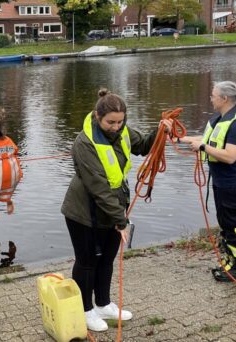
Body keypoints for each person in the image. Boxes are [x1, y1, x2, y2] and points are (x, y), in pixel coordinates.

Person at [61, 89, 172, 331]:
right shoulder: (84, 142)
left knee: (107, 259)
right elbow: (98, 187)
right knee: (87, 261)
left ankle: (103, 304)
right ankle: (85, 310)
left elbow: (142, 146)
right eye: (111, 122)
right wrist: (121, 220)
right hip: (83, 211)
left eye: (121, 122)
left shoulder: (123, 131)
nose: (116, 127)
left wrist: (159, 131)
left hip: (112, 209)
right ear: (98, 116)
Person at [181, 81, 236, 282]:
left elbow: (230, 156)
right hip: (223, 182)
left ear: (224, 99)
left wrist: (202, 147)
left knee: (234, 224)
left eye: (213, 95)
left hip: (235, 183)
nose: (210, 98)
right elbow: (207, 138)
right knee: (225, 223)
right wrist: (182, 138)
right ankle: (231, 259)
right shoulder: (222, 119)